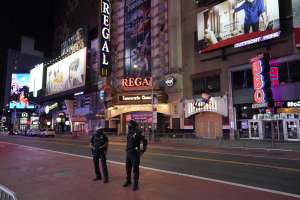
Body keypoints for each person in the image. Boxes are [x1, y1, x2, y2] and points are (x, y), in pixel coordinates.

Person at [123, 120, 148, 191]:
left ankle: (135, 184)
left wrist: (142, 150)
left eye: (129, 124)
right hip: (128, 153)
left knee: (135, 169)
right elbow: (128, 142)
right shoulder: (129, 132)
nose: (128, 125)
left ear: (132, 125)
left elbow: (145, 141)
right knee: (128, 168)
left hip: (135, 153)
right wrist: (126, 149)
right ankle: (128, 181)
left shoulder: (139, 132)